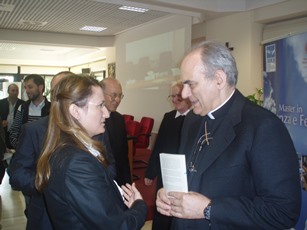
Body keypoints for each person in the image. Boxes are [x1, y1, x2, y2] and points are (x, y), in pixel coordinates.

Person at [156, 41, 301, 229]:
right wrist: (169, 195)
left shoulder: (263, 126)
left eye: (190, 84)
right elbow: (190, 177)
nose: (184, 93)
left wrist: (209, 209)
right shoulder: (192, 120)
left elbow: (283, 211)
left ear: (219, 79)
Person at [35, 75, 147, 229]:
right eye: (100, 105)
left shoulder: (75, 148)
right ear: (75, 111)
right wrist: (139, 205)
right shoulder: (77, 162)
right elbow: (117, 226)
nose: (106, 113)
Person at [9, 71, 78, 229]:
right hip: (41, 202)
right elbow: (15, 133)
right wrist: (18, 148)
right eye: (56, 92)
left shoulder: (93, 126)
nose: (27, 90)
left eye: (30, 87)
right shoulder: (25, 111)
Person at [144, 81, 191, 230]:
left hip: (186, 175)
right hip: (166, 173)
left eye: (179, 96)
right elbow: (159, 145)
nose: (175, 99)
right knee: (163, 209)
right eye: (172, 96)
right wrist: (151, 172)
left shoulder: (197, 118)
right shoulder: (169, 117)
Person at [101, 78, 132, 186]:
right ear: (101, 94)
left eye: (120, 95)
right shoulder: (92, 120)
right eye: (113, 95)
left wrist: (128, 182)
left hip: (120, 179)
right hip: (102, 180)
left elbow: (124, 155)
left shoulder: (119, 119)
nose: (117, 99)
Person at [9, 74, 51, 148]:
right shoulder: (22, 108)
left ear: (40, 87)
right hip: (26, 156)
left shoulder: (52, 108)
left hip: (47, 155)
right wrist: (21, 148)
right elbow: (13, 131)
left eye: (30, 87)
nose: (27, 91)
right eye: (25, 88)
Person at [0, 83, 25, 149]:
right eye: (13, 90)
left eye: (17, 90)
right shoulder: (1, 103)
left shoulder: (23, 104)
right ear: (8, 91)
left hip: (17, 134)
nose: (15, 92)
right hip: (4, 132)